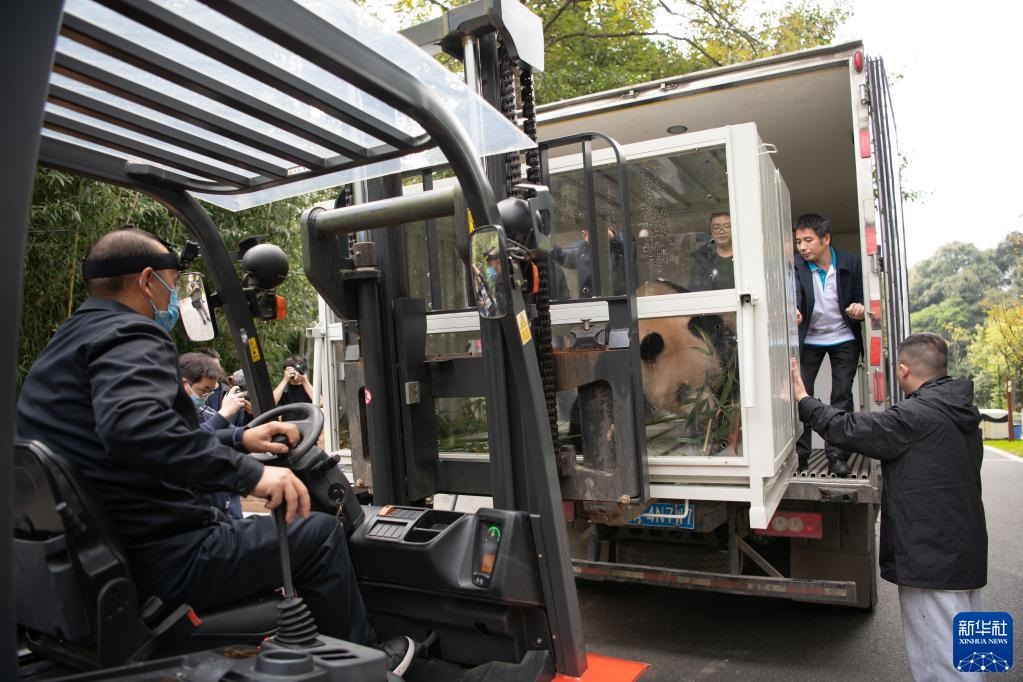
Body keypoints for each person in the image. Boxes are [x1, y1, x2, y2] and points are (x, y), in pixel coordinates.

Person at [16, 227, 415, 674]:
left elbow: (139, 436)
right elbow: (136, 430)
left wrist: (239, 439)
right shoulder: (129, 333)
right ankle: (368, 664)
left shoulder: (66, 344)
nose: (173, 297)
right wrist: (253, 474)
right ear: (147, 280)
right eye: (172, 283)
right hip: (165, 557)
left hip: (102, 559)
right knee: (319, 534)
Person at [790, 333, 987, 681]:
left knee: (942, 667)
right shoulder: (964, 412)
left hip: (931, 562)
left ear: (904, 369)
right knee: (974, 659)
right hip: (965, 555)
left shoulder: (914, 415)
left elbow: (847, 428)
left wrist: (803, 400)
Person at [793, 213, 865, 475]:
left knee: (841, 396)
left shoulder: (850, 262)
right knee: (801, 396)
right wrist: (794, 310)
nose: (802, 247)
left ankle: (837, 456)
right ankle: (801, 457)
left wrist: (859, 308)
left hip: (843, 336)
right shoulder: (796, 266)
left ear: (826, 239)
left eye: (808, 240)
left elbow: (861, 296)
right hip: (810, 339)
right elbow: (793, 295)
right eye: (798, 241)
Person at [180, 351, 248, 519]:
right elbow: (190, 443)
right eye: (204, 390)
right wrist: (224, 413)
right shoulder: (166, 414)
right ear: (184, 384)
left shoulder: (202, 410)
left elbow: (233, 432)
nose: (206, 396)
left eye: (210, 391)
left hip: (220, 499)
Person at [551, 226, 625, 298]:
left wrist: (611, 236)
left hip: (617, 300)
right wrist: (548, 244)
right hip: (588, 301)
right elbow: (563, 256)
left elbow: (625, 246)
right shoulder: (582, 248)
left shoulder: (619, 244)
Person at [688, 212, 735, 291]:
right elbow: (695, 289)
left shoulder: (744, 253)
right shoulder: (702, 258)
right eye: (716, 228)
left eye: (727, 226)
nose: (721, 231)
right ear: (711, 232)